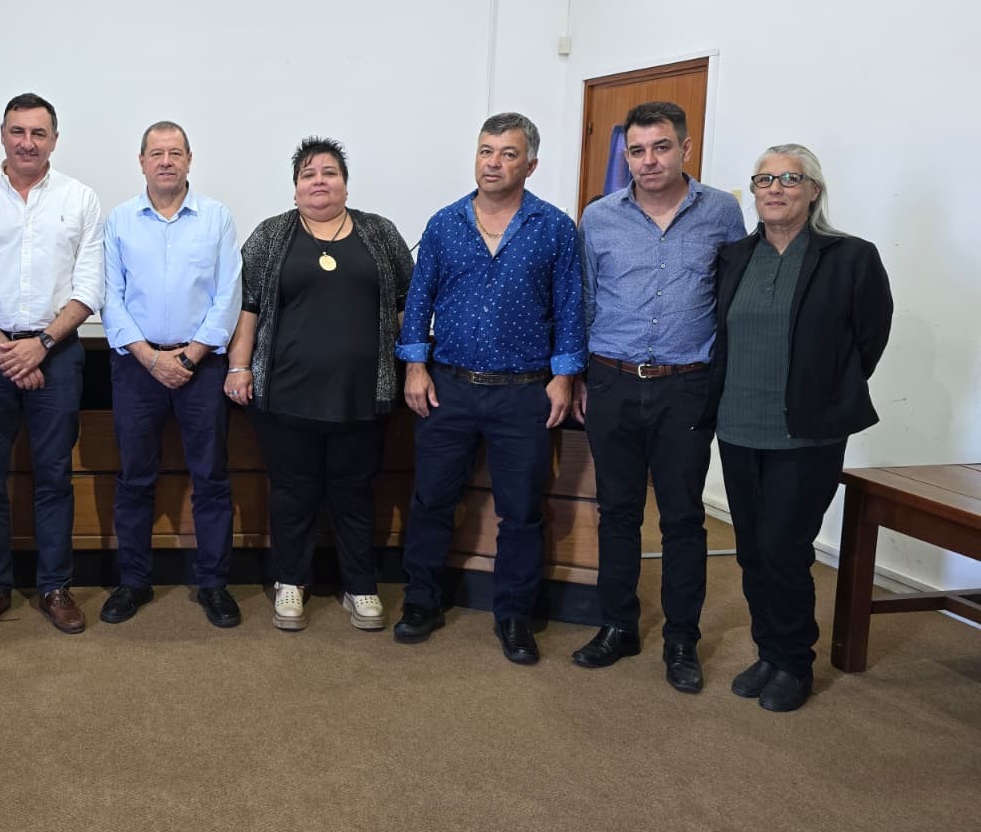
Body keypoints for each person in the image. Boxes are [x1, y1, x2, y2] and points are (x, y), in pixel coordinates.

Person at [702, 144, 892, 712]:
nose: (775, 189)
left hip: (807, 433)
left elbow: (870, 336)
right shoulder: (735, 256)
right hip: (738, 426)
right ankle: (769, 651)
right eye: (764, 180)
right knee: (751, 551)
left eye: (789, 178)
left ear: (814, 190)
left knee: (784, 548)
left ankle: (794, 662)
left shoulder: (849, 256)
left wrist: (825, 389)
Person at [393, 113, 585, 663]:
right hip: (447, 388)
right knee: (431, 500)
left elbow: (571, 306)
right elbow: (418, 300)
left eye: (507, 153)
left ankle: (515, 616)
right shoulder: (444, 223)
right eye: (486, 151)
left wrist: (564, 376)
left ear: (531, 165)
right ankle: (421, 601)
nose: (493, 163)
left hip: (523, 392)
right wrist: (415, 367)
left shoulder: (553, 228)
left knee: (520, 511)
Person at [570, 101, 746, 693]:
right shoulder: (599, 217)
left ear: (685, 149)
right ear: (627, 156)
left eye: (661, 147)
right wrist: (580, 376)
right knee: (617, 512)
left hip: (686, 386)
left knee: (682, 517)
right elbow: (584, 300)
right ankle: (618, 626)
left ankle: (681, 640)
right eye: (638, 150)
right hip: (612, 380)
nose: (649, 160)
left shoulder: (721, 212)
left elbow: (731, 298)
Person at [224, 137, 414, 632]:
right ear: (295, 189)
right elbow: (247, 307)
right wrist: (239, 367)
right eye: (308, 174)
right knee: (292, 493)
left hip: (363, 395)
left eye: (329, 172)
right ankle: (291, 581)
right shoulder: (271, 235)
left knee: (356, 493)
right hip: (285, 396)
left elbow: (405, 307)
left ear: (346, 184)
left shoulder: (379, 233)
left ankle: (361, 586)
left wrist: (415, 366)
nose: (319, 181)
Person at [0, 93, 103, 635]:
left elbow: (89, 288)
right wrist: (7, 349)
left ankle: (55, 586)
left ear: (54, 139)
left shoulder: (80, 199)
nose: (27, 143)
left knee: (54, 476)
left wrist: (42, 344)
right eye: (18, 131)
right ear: (2, 135)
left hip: (57, 355)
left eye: (38, 133)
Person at [100, 121, 243, 628]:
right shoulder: (119, 220)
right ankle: (133, 582)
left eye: (175, 152)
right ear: (141, 161)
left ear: (189, 160)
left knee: (211, 478)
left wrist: (188, 357)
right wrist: (150, 358)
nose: (166, 161)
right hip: (136, 368)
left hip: (201, 368)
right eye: (156, 153)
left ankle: (214, 584)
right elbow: (109, 297)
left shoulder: (216, 218)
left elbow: (228, 295)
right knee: (134, 479)